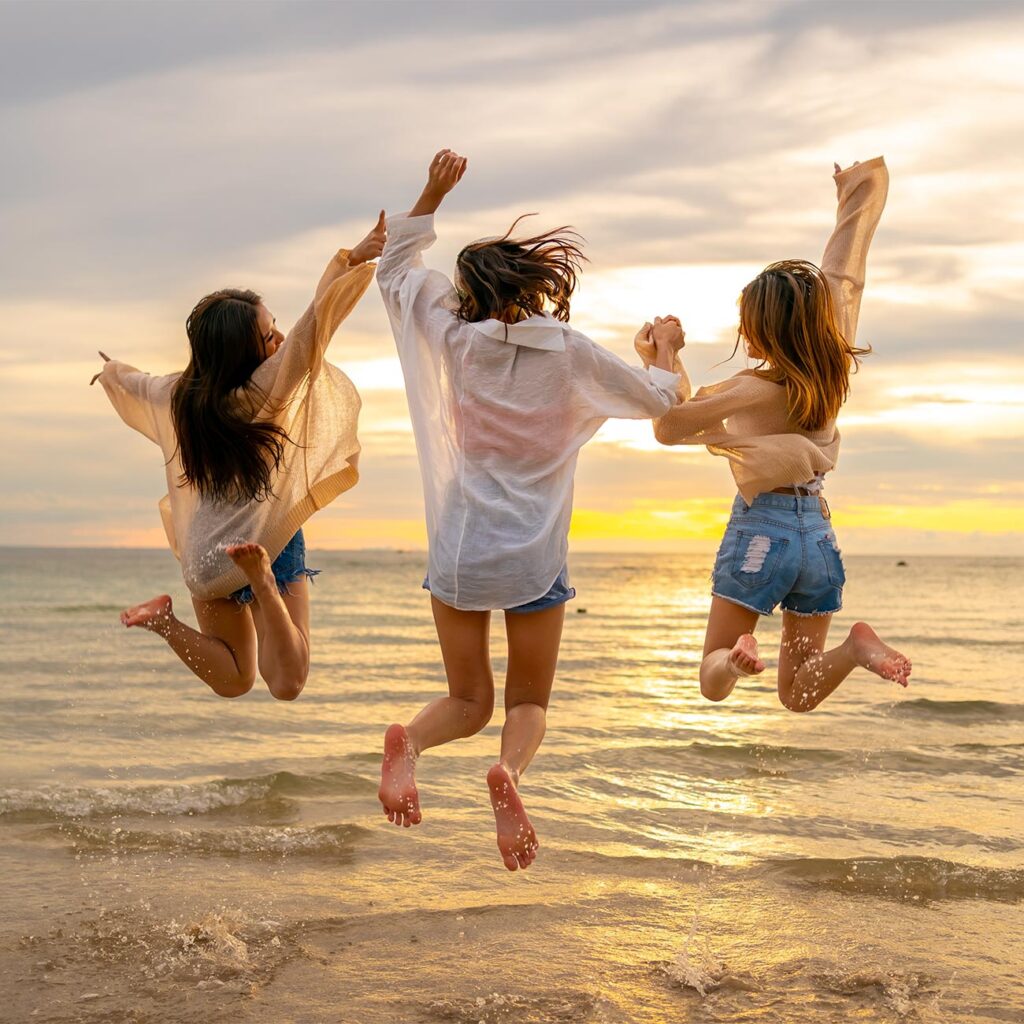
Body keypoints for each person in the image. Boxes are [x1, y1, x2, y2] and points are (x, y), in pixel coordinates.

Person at [375, 150, 682, 870]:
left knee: (467, 700)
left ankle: (410, 743)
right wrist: (662, 348)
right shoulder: (568, 351)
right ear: (535, 286)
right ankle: (508, 775)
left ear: (469, 294)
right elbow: (662, 401)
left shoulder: (453, 340)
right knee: (525, 705)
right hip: (532, 553)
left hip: (459, 545)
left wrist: (433, 192)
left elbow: (392, 271)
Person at [640, 157, 910, 712]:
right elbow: (843, 274)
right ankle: (857, 648)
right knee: (799, 692)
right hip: (818, 537)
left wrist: (662, 355)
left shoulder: (750, 389)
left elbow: (670, 424)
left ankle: (735, 658)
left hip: (762, 531)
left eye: (747, 322)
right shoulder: (831, 369)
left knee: (710, 679)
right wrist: (855, 192)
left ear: (760, 330)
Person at [91, 214, 387, 700]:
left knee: (234, 680)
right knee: (287, 683)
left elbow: (135, 383)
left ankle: (164, 622)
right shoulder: (264, 389)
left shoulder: (179, 396)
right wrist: (351, 259)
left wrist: (109, 372)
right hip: (262, 542)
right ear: (241, 351)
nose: (278, 340)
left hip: (207, 557)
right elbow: (317, 323)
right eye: (268, 334)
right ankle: (265, 586)